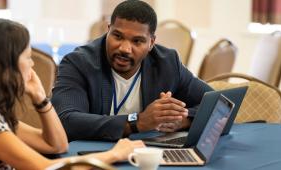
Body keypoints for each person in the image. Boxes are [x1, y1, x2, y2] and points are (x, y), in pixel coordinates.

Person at [0, 17, 144, 169]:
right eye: (28, 57)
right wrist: (115, 154)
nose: (32, 64)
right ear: (5, 63)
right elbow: (50, 168)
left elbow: (57, 145)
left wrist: (40, 98)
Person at [52, 0, 213, 141]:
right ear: (108, 30)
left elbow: (216, 104)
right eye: (118, 36)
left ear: (151, 43)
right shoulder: (78, 63)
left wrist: (181, 120)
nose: (125, 48)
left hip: (145, 156)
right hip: (92, 156)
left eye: (137, 41)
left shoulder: (167, 63)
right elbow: (66, 120)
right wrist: (137, 122)